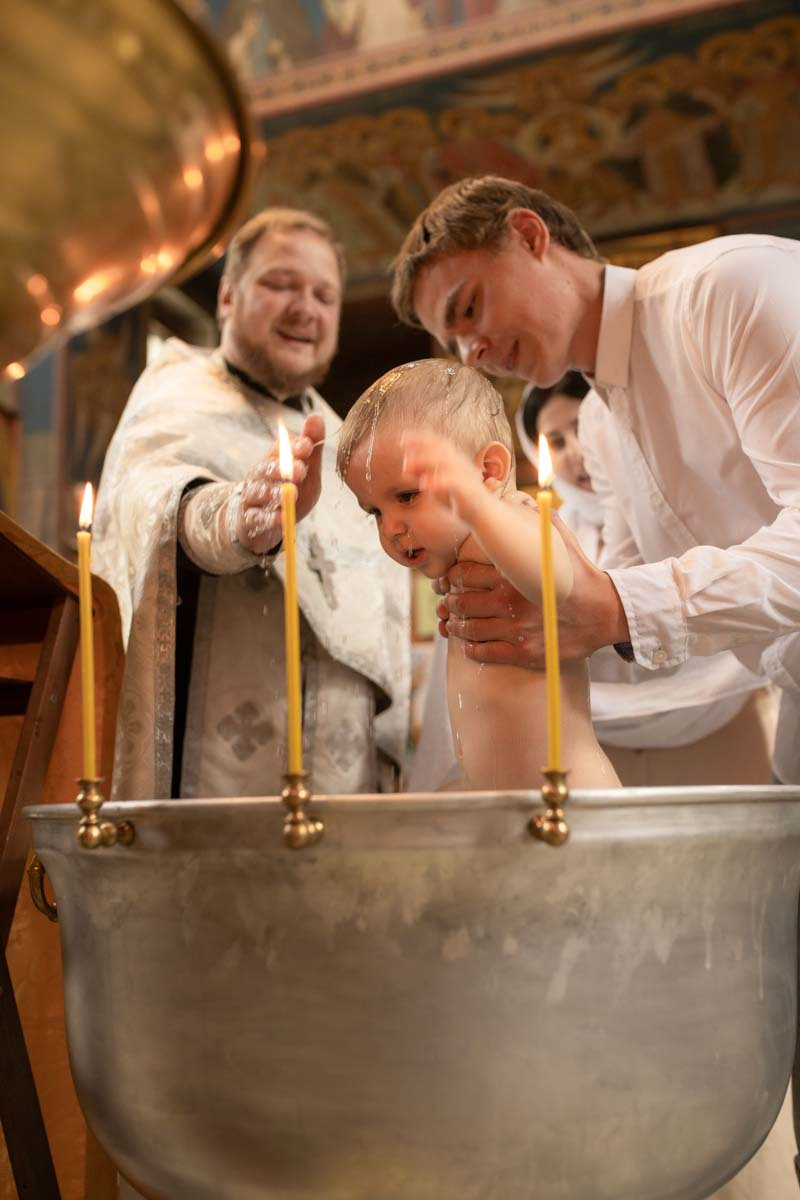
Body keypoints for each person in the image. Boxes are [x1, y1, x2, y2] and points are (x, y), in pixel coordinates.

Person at [390, 174, 800, 789]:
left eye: (468, 308)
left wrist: (606, 606)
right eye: (453, 340)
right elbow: (621, 604)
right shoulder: (602, 428)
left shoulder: (726, 291)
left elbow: (621, 606)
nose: (469, 351)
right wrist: (516, 588)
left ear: (529, 236)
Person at [93, 207, 410, 802]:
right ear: (228, 297)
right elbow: (149, 502)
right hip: (208, 783)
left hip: (343, 792)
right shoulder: (177, 390)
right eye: (281, 284)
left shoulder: (349, 444)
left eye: (324, 295)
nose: (305, 308)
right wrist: (240, 518)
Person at [337, 357, 620, 790]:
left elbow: (558, 583)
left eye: (408, 496)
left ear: (488, 472)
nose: (391, 527)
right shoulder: (464, 556)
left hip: (571, 790)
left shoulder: (517, 519)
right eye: (375, 511)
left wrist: (477, 506)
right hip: (501, 796)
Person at [517, 372, 776, 786]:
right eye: (557, 442)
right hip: (599, 736)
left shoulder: (672, 506)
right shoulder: (537, 540)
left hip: (716, 716)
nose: (578, 451)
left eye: (582, 428)